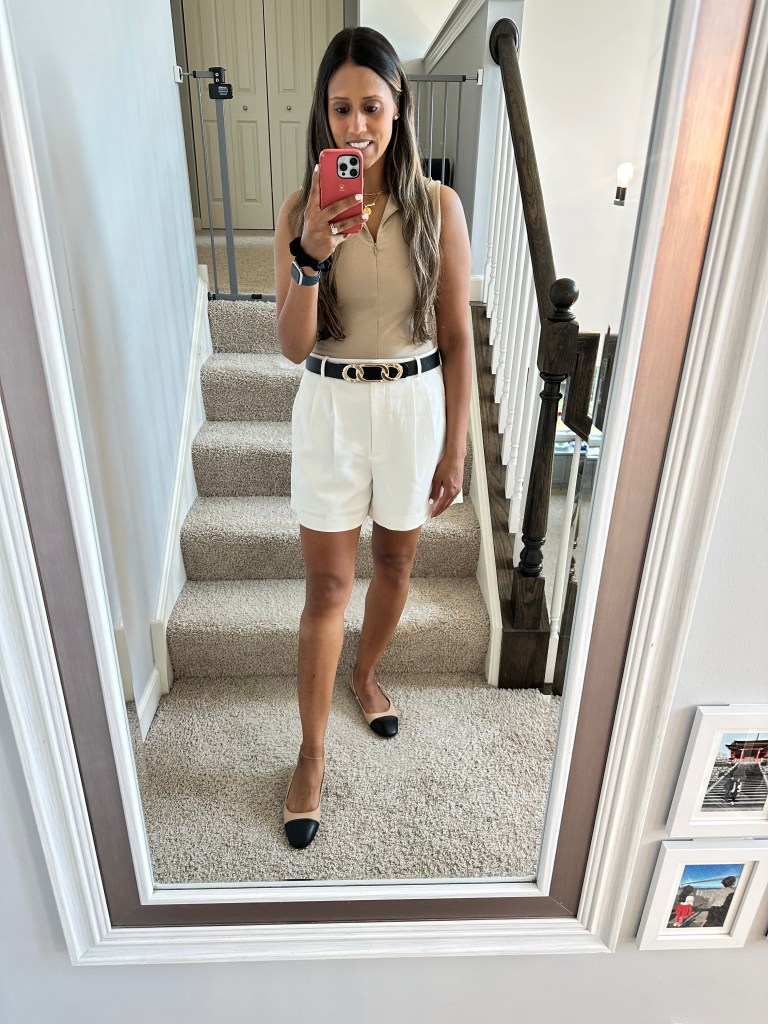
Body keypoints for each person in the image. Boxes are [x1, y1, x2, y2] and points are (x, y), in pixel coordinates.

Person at [274, 27, 472, 848]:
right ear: (324, 115)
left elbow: (456, 333)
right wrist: (311, 254)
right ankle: (311, 754)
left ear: (400, 109)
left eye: (371, 107)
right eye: (340, 108)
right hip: (330, 406)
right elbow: (292, 346)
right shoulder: (302, 209)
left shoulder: (439, 207)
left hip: (413, 406)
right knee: (327, 589)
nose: (356, 125)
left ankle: (365, 673)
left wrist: (457, 443)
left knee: (396, 563)